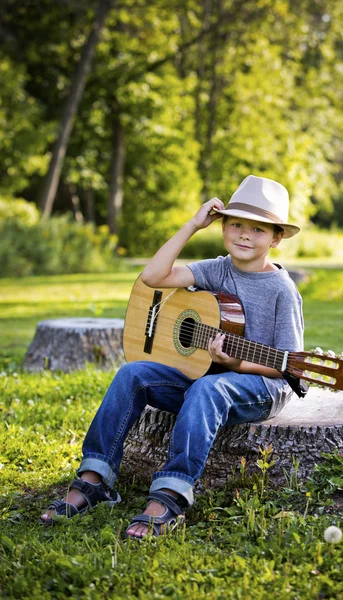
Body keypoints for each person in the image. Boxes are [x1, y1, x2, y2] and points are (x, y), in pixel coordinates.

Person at [40, 174, 304, 538]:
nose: (244, 235)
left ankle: (171, 494)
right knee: (133, 374)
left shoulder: (281, 290)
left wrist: (235, 363)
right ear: (223, 226)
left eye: (258, 230)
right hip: (209, 374)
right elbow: (153, 276)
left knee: (209, 389)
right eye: (236, 224)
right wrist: (192, 225)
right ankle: (95, 478)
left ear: (276, 238)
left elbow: (289, 367)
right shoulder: (216, 268)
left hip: (259, 385)